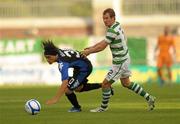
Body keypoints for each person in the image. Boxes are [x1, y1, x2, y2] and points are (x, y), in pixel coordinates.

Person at [81, 8, 156, 112]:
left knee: (105, 84)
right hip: (124, 58)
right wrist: (92, 47)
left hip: (120, 61)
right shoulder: (116, 25)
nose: (105, 20)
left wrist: (89, 52)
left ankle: (103, 108)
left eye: (107, 18)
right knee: (126, 83)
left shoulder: (112, 30)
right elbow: (104, 41)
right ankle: (149, 97)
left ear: (113, 18)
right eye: (103, 18)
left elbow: (102, 47)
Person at [43, 40, 104, 112]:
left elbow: (65, 82)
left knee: (68, 89)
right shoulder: (57, 51)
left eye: (49, 57)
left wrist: (55, 99)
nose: (47, 60)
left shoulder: (63, 63)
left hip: (84, 69)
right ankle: (103, 85)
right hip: (80, 66)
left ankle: (77, 108)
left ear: (55, 55)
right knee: (78, 88)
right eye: (46, 57)